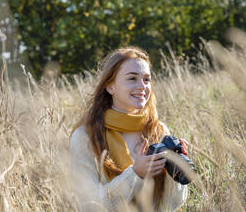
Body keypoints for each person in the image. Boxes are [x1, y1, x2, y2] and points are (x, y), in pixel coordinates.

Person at [69, 47, 189, 212]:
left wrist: (177, 170)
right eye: (132, 78)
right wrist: (135, 174)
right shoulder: (85, 137)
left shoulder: (158, 130)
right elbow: (90, 206)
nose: (142, 86)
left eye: (146, 79)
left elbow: (173, 204)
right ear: (110, 87)